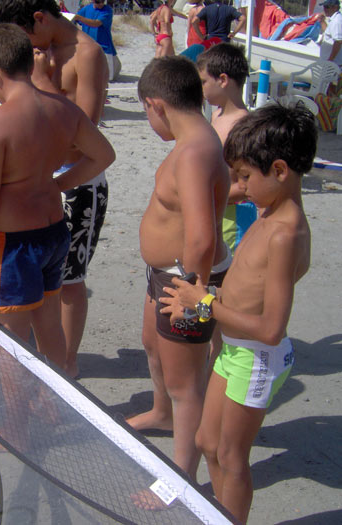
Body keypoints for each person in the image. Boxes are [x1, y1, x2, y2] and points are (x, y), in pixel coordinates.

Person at [160, 103, 316, 523]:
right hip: (233, 350)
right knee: (209, 442)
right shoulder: (269, 212)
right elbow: (248, 286)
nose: (240, 187)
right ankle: (221, 515)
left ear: (280, 170)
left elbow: (270, 329)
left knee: (231, 456)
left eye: (246, 177)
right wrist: (200, 298)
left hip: (257, 358)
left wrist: (205, 303)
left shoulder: (286, 234)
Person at [0, 24, 115, 370]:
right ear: (30, 65)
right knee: (49, 328)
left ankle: (14, 421)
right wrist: (58, 185)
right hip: (54, 233)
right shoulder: (63, 109)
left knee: (9, 341)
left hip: (12, 245)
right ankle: (55, 402)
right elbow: (104, 156)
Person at [126, 56, 231, 482]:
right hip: (167, 273)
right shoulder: (197, 142)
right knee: (152, 345)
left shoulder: (192, 152)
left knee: (186, 385)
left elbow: (203, 238)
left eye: (147, 114)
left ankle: (180, 479)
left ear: (156, 105)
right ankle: (160, 413)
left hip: (185, 277)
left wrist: (192, 293)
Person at [0, 0, 110, 378]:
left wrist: (41, 84)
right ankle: (43, 359)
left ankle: (68, 364)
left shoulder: (87, 54)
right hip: (41, 180)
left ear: (40, 19)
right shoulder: (38, 51)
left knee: (70, 279)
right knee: (39, 275)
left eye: (23, 34)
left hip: (76, 180)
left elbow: (85, 128)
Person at [196, 43, 255, 253]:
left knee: (226, 276)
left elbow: (246, 186)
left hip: (234, 216)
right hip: (215, 209)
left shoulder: (244, 126)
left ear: (222, 80)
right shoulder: (216, 115)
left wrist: (204, 199)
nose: (200, 88)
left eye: (203, 82)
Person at [72, 0, 122, 81]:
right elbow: (75, 20)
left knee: (109, 77)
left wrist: (78, 17)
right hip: (88, 46)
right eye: (98, 2)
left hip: (104, 47)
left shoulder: (108, 10)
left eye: (103, 1)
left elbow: (96, 23)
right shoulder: (86, 9)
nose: (101, 4)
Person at [320, 0, 342, 66]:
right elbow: (328, 33)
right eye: (324, 7)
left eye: (327, 7)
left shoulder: (336, 21)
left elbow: (338, 41)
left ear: (335, 8)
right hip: (329, 63)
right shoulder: (334, 19)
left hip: (333, 64)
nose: (324, 9)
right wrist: (322, 21)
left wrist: (330, 60)